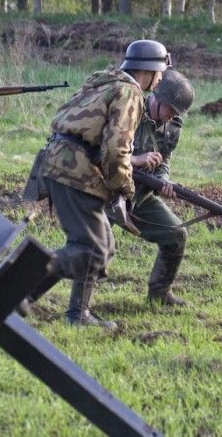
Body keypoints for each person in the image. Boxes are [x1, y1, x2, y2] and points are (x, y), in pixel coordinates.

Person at [24, 39, 171, 328]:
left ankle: (73, 313)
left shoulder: (104, 81)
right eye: (161, 73)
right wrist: (126, 188)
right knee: (91, 249)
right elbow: (116, 150)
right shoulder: (130, 92)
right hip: (75, 171)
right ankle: (17, 287)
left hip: (61, 164)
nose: (161, 79)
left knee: (101, 246)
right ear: (149, 70)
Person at [122, 69, 195, 306]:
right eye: (170, 109)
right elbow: (107, 151)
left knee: (176, 234)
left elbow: (164, 159)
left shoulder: (173, 126)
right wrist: (136, 160)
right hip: (107, 190)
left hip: (139, 195)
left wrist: (163, 181)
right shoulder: (130, 111)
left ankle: (160, 294)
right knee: (93, 245)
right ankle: (78, 308)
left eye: (177, 112)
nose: (172, 115)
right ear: (158, 96)